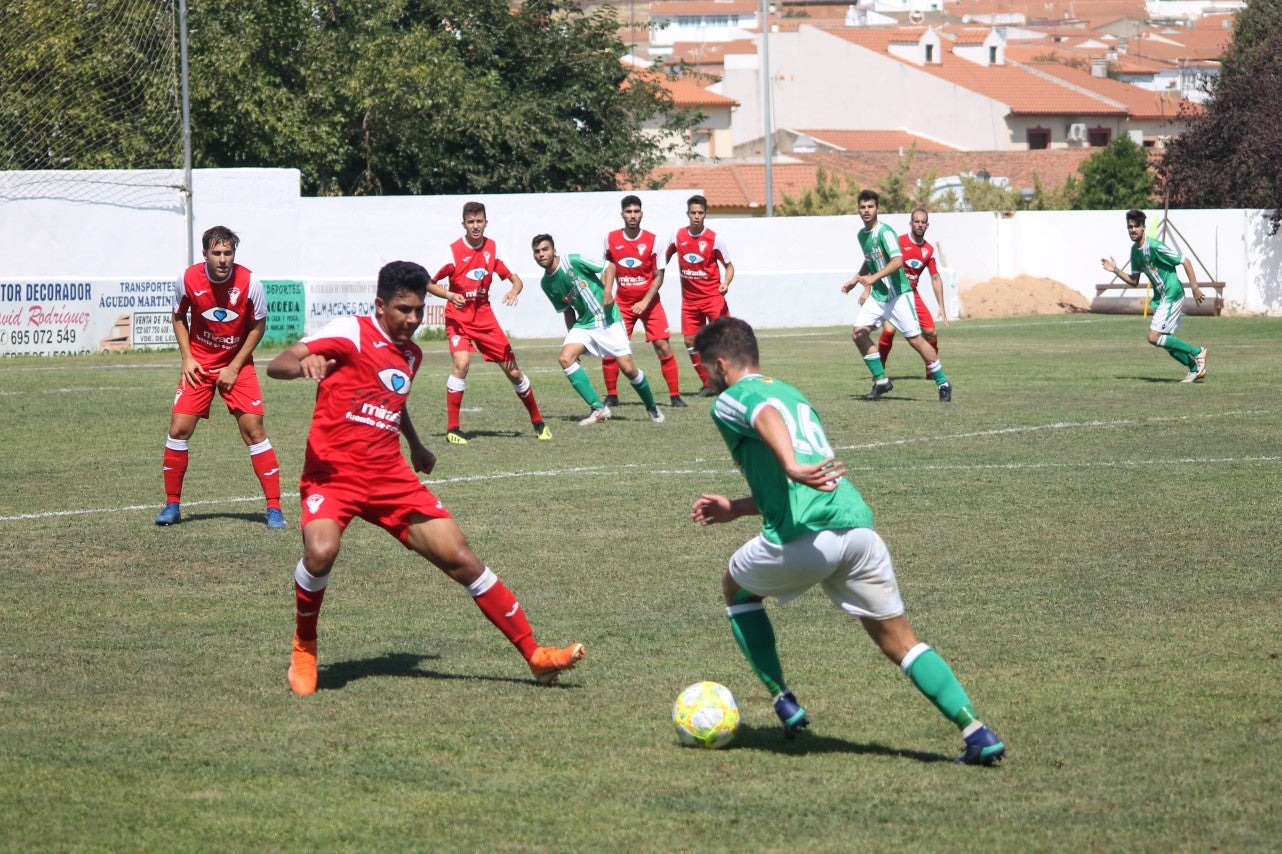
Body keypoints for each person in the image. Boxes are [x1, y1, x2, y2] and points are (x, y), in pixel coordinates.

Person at [689, 316, 1005, 765]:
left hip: (804, 541)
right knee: (901, 641)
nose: (705, 378)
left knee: (735, 589)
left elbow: (767, 419)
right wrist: (737, 507)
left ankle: (782, 698)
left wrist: (791, 465)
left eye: (705, 369)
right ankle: (977, 731)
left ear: (721, 364)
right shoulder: (792, 392)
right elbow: (800, 479)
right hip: (857, 532)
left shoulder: (735, 400)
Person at [266, 261, 584, 696]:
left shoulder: (411, 355)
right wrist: (305, 363)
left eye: (418, 311)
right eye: (403, 310)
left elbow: (392, 399)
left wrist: (415, 444)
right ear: (380, 305)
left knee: (462, 558)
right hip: (333, 476)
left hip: (390, 477)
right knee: (321, 552)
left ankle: (535, 655)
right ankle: (304, 647)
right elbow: (278, 364)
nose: (413, 320)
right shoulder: (351, 331)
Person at [154, 225, 285, 529]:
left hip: (236, 364)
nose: (223, 259)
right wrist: (187, 358)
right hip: (199, 364)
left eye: (228, 253)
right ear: (205, 254)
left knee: (254, 430)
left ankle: (274, 508)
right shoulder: (187, 279)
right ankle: (172, 505)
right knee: (179, 428)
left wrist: (236, 366)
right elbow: (178, 317)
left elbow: (258, 326)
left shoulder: (251, 282)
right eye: (217, 253)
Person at [428, 201, 550, 443]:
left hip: (485, 319)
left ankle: (538, 422)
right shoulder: (452, 251)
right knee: (461, 364)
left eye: (479, 221)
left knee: (514, 372)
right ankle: (453, 429)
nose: (475, 226)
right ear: (463, 224)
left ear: (486, 222)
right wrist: (450, 295)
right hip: (458, 318)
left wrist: (514, 291)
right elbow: (428, 282)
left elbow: (516, 280)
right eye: (471, 222)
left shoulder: (493, 249)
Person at [531, 233, 665, 426]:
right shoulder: (546, 283)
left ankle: (651, 405)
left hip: (607, 319)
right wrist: (571, 339)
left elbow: (610, 266)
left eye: (545, 249)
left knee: (628, 369)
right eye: (537, 252)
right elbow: (567, 311)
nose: (541, 254)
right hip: (584, 324)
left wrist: (608, 292)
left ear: (554, 250)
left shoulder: (573, 261)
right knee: (565, 358)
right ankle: (598, 408)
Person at [841, 190, 952, 403]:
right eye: (863, 207)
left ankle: (943, 382)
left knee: (916, 340)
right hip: (880, 296)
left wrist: (873, 278)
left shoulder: (886, 232)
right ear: (859, 209)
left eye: (870, 207)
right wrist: (855, 280)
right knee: (858, 333)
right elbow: (869, 260)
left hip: (899, 294)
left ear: (877, 209)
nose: (866, 210)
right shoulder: (861, 235)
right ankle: (882, 381)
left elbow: (897, 261)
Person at [600, 195, 687, 409]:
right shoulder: (610, 238)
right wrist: (607, 291)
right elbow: (607, 268)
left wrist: (645, 302)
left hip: (650, 303)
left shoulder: (654, 240)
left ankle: (675, 397)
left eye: (636, 211)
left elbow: (659, 276)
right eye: (628, 212)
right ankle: (612, 395)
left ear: (641, 214)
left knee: (663, 346)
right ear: (622, 214)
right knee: (612, 348)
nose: (632, 215)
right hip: (622, 302)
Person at [1101, 210, 1208, 382]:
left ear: (1144, 227)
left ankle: (1197, 352)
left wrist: (1194, 287)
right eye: (1130, 227)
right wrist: (1115, 270)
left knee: (1153, 337)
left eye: (1136, 226)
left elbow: (1185, 261)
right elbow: (1134, 281)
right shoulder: (1134, 252)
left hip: (1172, 294)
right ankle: (1195, 368)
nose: (1133, 230)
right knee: (1166, 342)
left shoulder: (1155, 246)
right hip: (1161, 297)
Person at [664, 194, 734, 397]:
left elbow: (729, 267)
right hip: (690, 300)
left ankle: (731, 380)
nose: (696, 216)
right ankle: (708, 383)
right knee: (689, 341)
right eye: (693, 213)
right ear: (688, 214)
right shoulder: (677, 236)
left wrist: (725, 283)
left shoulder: (714, 238)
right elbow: (662, 261)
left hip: (713, 297)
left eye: (700, 213)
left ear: (705, 214)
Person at [879, 207, 948, 370]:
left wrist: (942, 306)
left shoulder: (929, 250)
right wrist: (870, 287)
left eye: (923, 222)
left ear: (927, 226)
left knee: (931, 332)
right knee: (889, 330)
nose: (919, 225)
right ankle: (879, 371)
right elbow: (879, 261)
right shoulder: (899, 242)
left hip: (912, 293)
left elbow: (935, 277)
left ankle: (932, 369)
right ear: (910, 224)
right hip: (894, 292)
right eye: (916, 221)